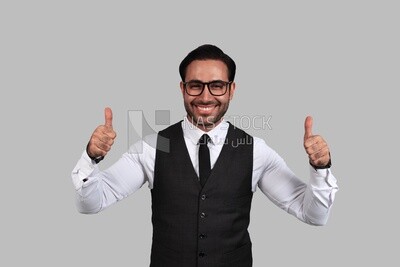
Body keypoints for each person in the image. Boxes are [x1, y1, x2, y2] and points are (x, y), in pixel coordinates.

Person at [71, 44, 338, 267]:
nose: (206, 96)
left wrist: (321, 168)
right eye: (195, 85)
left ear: (232, 90)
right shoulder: (154, 147)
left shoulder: (256, 150)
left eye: (217, 85)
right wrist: (91, 158)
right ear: (182, 88)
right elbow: (90, 204)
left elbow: (314, 215)